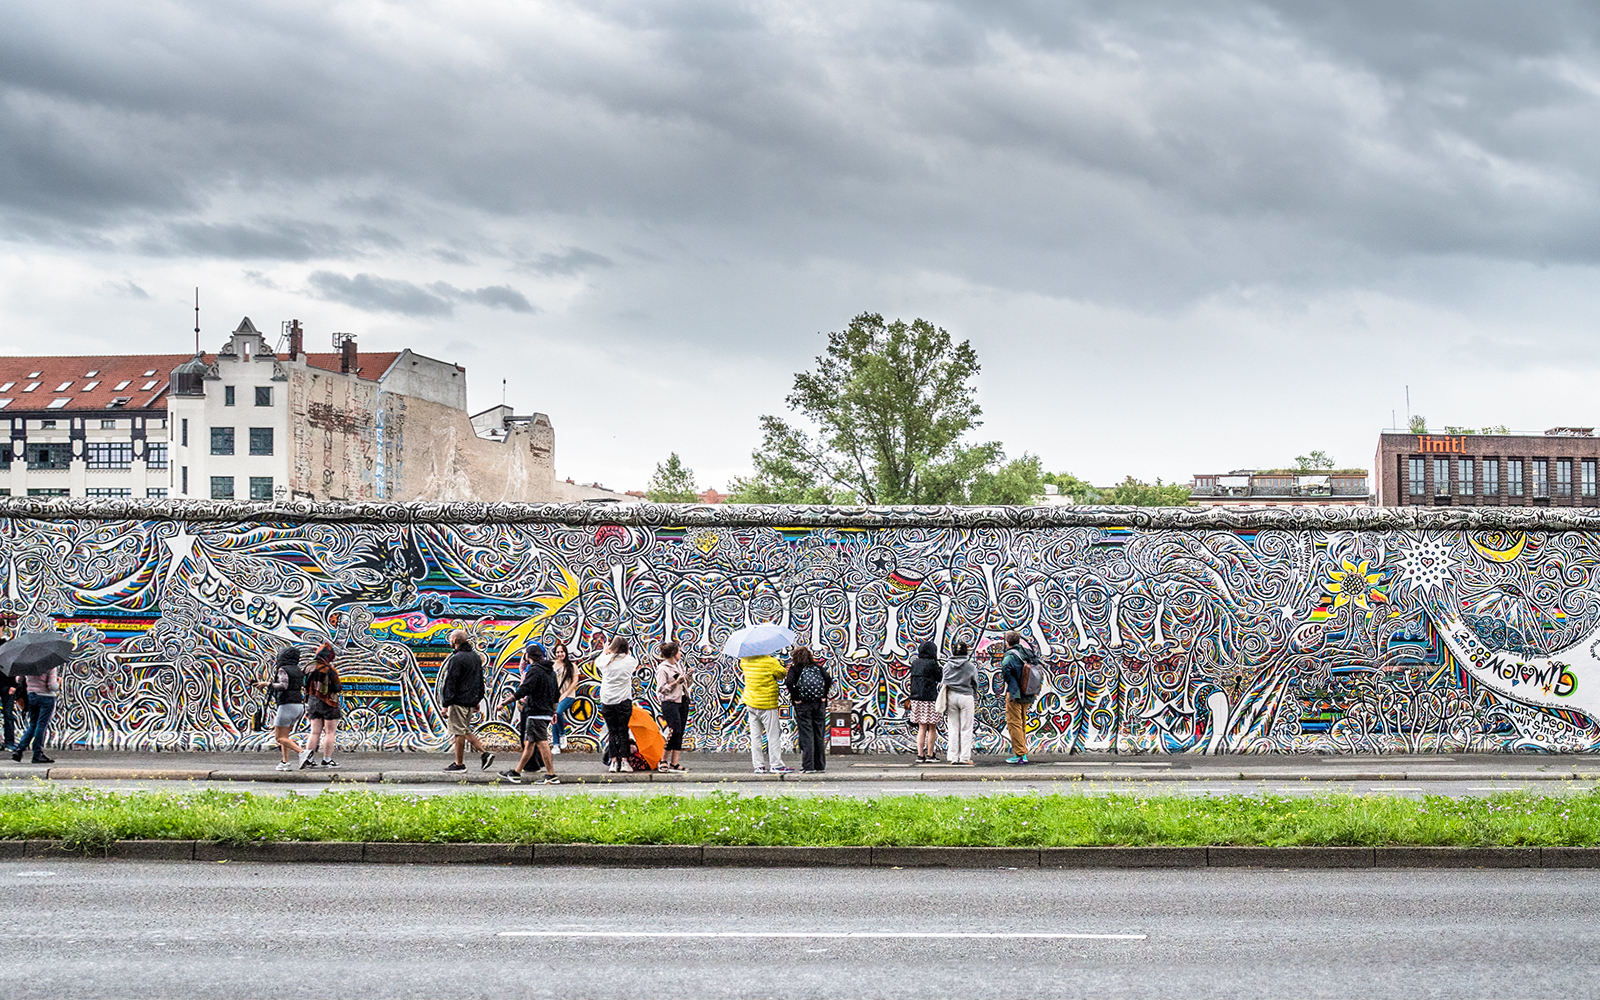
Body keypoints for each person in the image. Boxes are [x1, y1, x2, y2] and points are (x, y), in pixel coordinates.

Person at [498, 645, 560, 784]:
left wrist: (504, 703)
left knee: (542, 743)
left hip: (535, 712)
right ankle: (516, 772)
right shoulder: (550, 671)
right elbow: (556, 694)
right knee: (530, 743)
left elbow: (524, 689)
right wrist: (554, 712)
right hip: (546, 712)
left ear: (528, 655)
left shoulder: (534, 671)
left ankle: (551, 775)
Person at [440, 629, 494, 772]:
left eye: (450, 638)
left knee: (459, 732)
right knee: (464, 729)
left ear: (455, 641)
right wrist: (477, 699)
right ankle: (484, 754)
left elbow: (451, 682)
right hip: (470, 701)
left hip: (458, 701)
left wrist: (445, 704)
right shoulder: (475, 657)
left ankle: (459, 764)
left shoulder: (457, 659)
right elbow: (479, 680)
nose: (449, 641)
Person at [253, 646, 307, 772]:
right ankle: (285, 762)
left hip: (286, 705)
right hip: (298, 705)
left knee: (279, 737)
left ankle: (302, 752)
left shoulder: (283, 669)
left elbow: (283, 685)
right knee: (285, 736)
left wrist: (266, 684)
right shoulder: (298, 670)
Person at [740, 650, 792, 774]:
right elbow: (782, 674)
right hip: (768, 703)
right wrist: (780, 664)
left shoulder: (745, 660)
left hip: (751, 702)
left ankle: (758, 766)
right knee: (772, 735)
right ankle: (776, 764)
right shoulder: (771, 662)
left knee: (755, 736)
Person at [785, 646, 832, 773]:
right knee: (819, 734)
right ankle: (820, 765)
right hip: (818, 704)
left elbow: (789, 683)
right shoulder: (817, 667)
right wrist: (823, 696)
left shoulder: (795, 669)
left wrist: (796, 698)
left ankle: (808, 766)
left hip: (803, 705)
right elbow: (828, 679)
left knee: (806, 734)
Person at [595, 636, 638, 773]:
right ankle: (625, 762)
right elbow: (631, 661)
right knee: (623, 731)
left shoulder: (605, 661)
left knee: (612, 732)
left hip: (607, 700)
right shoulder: (630, 661)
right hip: (624, 700)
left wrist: (605, 651)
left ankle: (613, 762)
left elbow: (598, 661)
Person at [999, 630, 1038, 765]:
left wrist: (1011, 682)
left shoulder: (1010, 655)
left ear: (1008, 641)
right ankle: (1023, 752)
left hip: (1015, 693)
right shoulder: (1027, 652)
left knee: (1014, 723)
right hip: (1027, 692)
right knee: (1022, 722)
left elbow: (1006, 669)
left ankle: (1020, 754)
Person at [303, 643, 343, 769]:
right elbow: (337, 688)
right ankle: (327, 760)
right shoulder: (330, 670)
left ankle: (308, 759)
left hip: (312, 701)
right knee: (330, 732)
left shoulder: (308, 667)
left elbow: (303, 683)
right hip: (329, 702)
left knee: (314, 732)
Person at [654, 641, 691, 772]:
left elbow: (686, 684)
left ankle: (674, 763)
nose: (681, 654)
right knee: (673, 731)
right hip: (670, 702)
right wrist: (675, 682)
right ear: (673, 654)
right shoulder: (663, 669)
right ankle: (663, 760)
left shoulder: (678, 665)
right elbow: (661, 689)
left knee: (680, 732)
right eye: (679, 652)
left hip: (682, 700)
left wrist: (688, 676)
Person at [941, 640, 979, 765]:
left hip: (951, 696)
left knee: (953, 727)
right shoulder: (970, 666)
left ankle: (953, 757)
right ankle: (964, 758)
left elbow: (944, 681)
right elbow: (975, 683)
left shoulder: (947, 666)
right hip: (966, 696)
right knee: (966, 728)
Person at [11, 665, 58, 764]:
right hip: (46, 697)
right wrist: (59, 683)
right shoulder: (50, 665)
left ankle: (19, 750)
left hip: (31, 696)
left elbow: (18, 679)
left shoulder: (28, 664)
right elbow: (51, 686)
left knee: (33, 724)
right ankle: (37, 754)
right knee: (41, 725)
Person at [907, 641, 942, 763]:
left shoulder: (915, 663)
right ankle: (930, 754)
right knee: (932, 727)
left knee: (921, 727)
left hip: (916, 698)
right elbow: (939, 677)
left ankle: (920, 755)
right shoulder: (932, 663)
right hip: (930, 698)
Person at [548, 640, 581, 753]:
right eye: (557, 652)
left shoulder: (571, 666)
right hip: (554, 697)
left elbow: (575, 681)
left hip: (568, 696)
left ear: (565, 653)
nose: (560, 654)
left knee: (558, 712)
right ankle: (556, 745)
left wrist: (565, 694)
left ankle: (562, 734)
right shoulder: (551, 665)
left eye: (562, 652)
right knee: (554, 718)